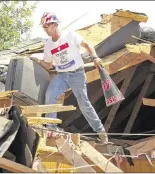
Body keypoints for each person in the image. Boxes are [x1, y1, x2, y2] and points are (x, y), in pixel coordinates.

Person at [30, 12, 108, 144]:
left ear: (55, 24)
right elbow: (48, 65)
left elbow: (87, 45)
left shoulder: (69, 35)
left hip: (77, 74)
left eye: (47, 26)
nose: (45, 29)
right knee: (50, 95)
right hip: (62, 75)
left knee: (84, 103)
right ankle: (51, 128)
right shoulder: (48, 45)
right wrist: (37, 61)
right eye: (43, 27)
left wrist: (95, 57)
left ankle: (101, 132)